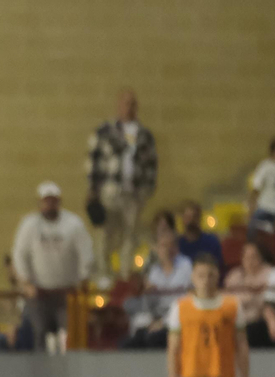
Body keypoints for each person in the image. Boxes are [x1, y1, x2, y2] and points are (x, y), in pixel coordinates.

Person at [84, 88, 158, 283]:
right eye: (126, 103)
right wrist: (92, 189)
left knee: (130, 235)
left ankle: (125, 275)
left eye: (133, 103)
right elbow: (93, 160)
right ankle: (104, 274)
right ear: (118, 106)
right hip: (109, 192)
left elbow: (151, 163)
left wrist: (147, 189)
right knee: (105, 234)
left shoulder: (144, 135)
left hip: (134, 194)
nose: (129, 107)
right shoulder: (105, 132)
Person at [10, 181, 94, 353]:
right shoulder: (29, 225)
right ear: (40, 202)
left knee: (69, 335)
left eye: (53, 200)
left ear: (59, 201)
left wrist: (83, 278)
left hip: (66, 293)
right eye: (46, 200)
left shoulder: (73, 224)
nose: (49, 204)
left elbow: (86, 253)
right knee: (39, 334)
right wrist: (26, 283)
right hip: (38, 293)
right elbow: (19, 254)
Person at [122, 219, 191, 350]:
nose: (164, 250)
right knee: (128, 343)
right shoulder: (154, 271)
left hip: (177, 320)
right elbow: (150, 304)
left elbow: (184, 301)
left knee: (152, 339)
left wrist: (162, 321)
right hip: (154, 318)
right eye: (161, 246)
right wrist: (148, 293)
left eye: (167, 246)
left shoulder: (185, 266)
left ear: (175, 247)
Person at [225, 240, 275, 348]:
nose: (250, 261)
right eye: (246, 257)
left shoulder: (270, 273)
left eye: (254, 257)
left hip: (259, 323)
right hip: (237, 322)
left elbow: (267, 301)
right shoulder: (234, 275)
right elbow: (227, 301)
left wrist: (245, 299)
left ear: (261, 257)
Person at [176, 201, 225, 268]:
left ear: (199, 218)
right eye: (188, 217)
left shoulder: (211, 242)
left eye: (194, 217)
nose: (191, 221)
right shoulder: (177, 245)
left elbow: (218, 267)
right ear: (182, 219)